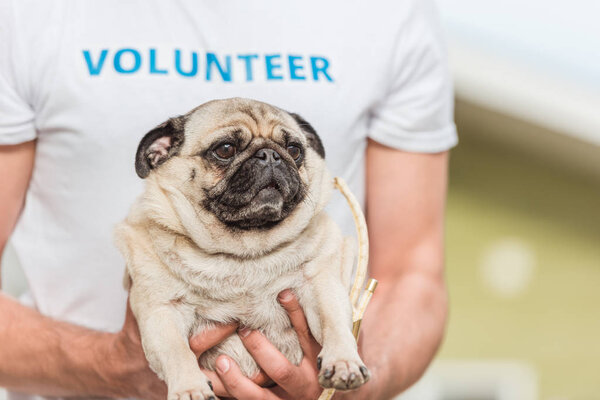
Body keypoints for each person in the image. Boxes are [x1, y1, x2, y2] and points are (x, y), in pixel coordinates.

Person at [0, 0, 457, 399]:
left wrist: (350, 384)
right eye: (225, 151)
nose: (266, 165)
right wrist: (113, 366)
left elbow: (412, 274)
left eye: (289, 152)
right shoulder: (29, 10)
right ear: (157, 155)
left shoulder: (387, 11)